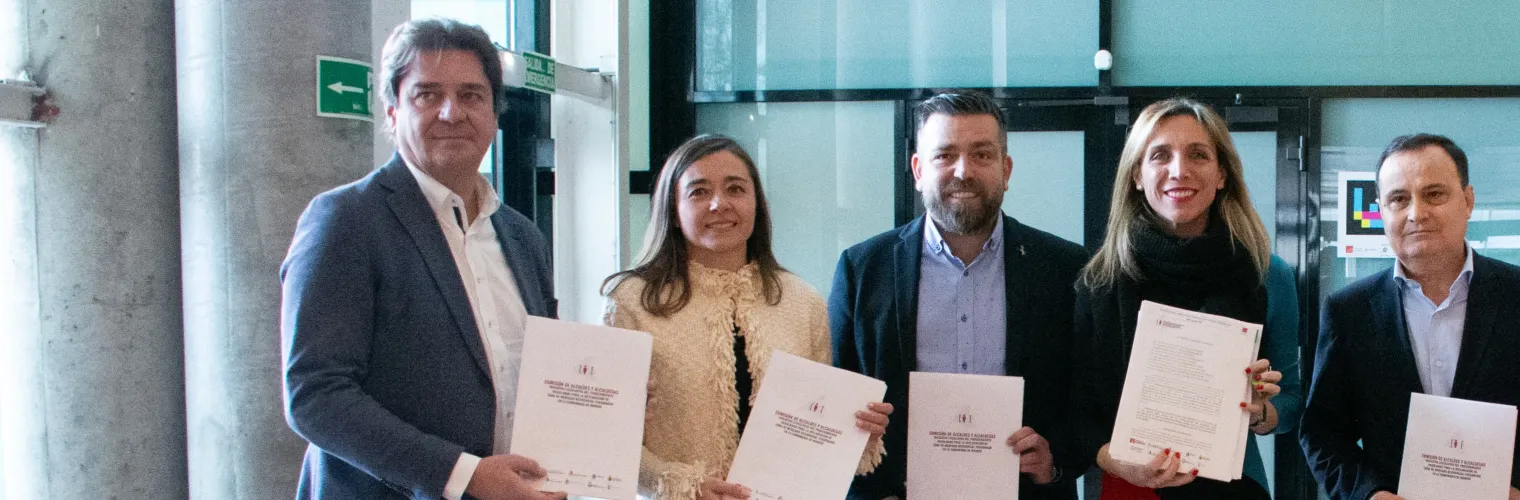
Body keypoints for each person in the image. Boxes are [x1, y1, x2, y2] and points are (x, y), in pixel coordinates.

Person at [281, 18, 562, 500]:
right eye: (428, 95)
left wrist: (611, 401)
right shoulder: (346, 220)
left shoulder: (523, 238)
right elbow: (316, 395)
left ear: (495, 115)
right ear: (393, 112)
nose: (452, 112)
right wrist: (463, 475)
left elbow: (542, 374)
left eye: (472, 95)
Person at [829, 90, 1089, 500]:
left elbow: (1090, 397)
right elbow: (835, 397)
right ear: (918, 170)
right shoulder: (861, 269)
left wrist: (1056, 460)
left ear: (1006, 169)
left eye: (981, 155)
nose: (963, 171)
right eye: (945, 155)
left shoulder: (1066, 269)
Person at [606, 134, 890, 500]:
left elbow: (813, 430)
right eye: (698, 192)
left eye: (735, 189)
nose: (719, 204)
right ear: (673, 211)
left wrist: (855, 431)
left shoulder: (801, 301)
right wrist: (680, 485)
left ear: (757, 204)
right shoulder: (632, 301)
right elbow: (608, 433)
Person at [1299, 134, 1520, 500]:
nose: (1417, 213)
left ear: (1468, 201)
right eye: (1399, 199)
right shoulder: (1348, 311)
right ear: (1381, 211)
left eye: (1433, 194)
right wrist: (1369, 494)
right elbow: (1322, 432)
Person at [1069, 97, 1300, 500]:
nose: (1179, 170)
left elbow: (1293, 400)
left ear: (1222, 174)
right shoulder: (1101, 280)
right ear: (1137, 175)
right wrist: (1113, 459)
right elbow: (1076, 411)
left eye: (1198, 154)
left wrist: (1261, 411)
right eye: (1160, 155)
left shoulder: (1267, 274)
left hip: (1237, 490)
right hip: (1132, 489)